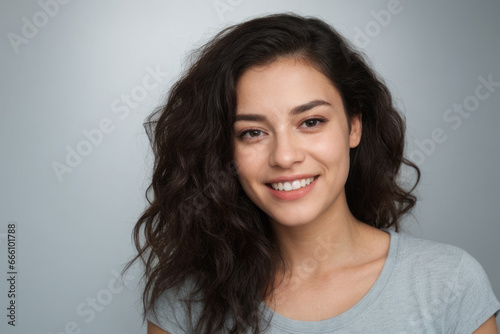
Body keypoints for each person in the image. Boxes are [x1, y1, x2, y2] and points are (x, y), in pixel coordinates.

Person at [125, 13, 500, 333]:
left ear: (354, 127)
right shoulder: (185, 306)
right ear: (225, 149)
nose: (285, 157)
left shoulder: (449, 284)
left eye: (311, 121)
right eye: (252, 132)